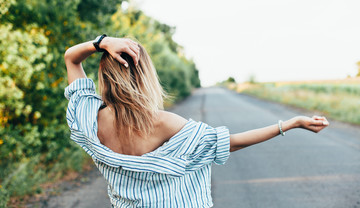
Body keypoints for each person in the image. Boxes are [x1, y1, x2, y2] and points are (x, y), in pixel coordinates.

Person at [64, 35, 329, 208]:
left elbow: (71, 57)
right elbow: (230, 143)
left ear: (104, 75)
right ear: (145, 75)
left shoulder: (88, 117)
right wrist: (291, 124)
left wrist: (102, 42)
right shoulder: (164, 123)